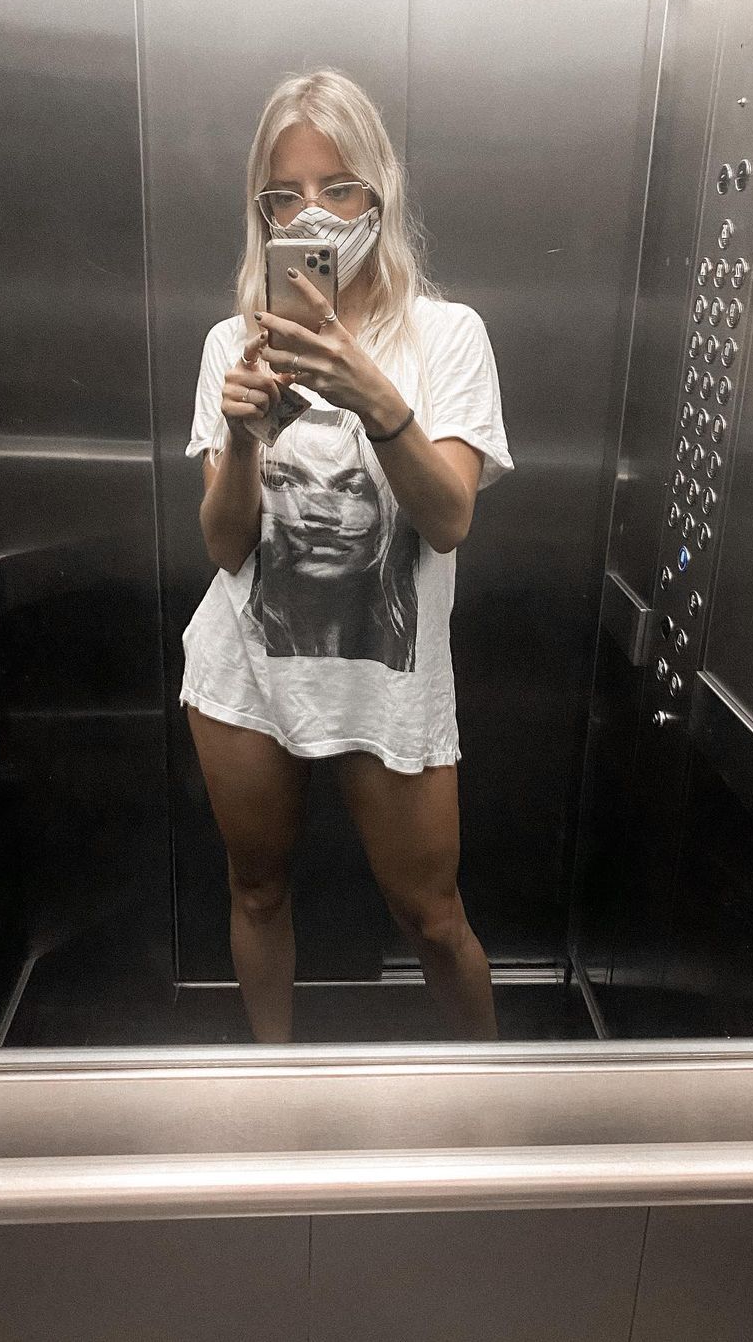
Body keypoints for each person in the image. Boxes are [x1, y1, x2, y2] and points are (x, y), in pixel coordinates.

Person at [179, 67, 513, 1044]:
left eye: (337, 187)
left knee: (433, 919)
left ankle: (487, 1107)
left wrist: (375, 399)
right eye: (285, 195)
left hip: (388, 675)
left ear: (379, 194)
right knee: (256, 890)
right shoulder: (232, 344)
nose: (313, 213)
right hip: (245, 670)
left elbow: (448, 520)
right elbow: (224, 545)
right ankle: (274, 1091)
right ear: (264, 214)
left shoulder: (445, 337)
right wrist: (244, 436)